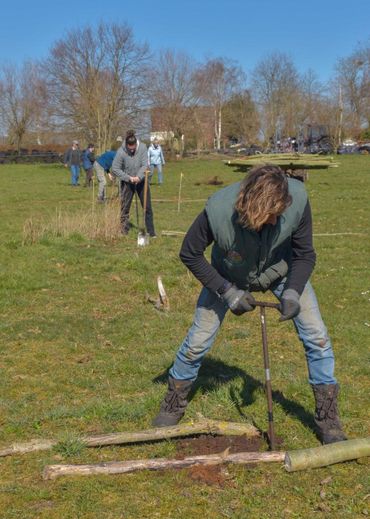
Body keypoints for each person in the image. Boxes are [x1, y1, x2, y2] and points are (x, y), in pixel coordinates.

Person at [152, 165, 347, 445]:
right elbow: (190, 253)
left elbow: (305, 254)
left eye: (276, 217)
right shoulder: (217, 210)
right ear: (250, 205)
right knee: (198, 340)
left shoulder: (298, 201)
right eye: (267, 217)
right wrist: (226, 291)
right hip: (228, 274)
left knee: (317, 337)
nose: (272, 222)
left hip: (282, 272)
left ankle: (328, 418)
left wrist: (292, 292)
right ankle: (173, 402)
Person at [112, 130, 156, 237]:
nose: (132, 150)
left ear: (136, 144)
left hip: (141, 181)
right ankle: (123, 231)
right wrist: (129, 178)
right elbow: (115, 168)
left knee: (147, 207)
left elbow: (145, 164)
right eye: (129, 149)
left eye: (133, 148)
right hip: (127, 182)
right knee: (125, 207)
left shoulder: (143, 148)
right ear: (126, 145)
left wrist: (138, 177)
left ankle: (151, 232)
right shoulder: (121, 152)